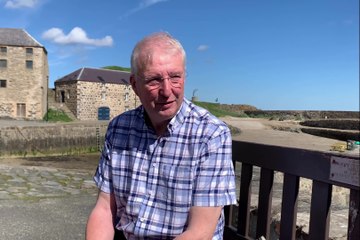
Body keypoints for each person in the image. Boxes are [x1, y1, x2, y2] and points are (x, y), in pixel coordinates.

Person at [86, 32, 237, 240]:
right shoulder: (119, 128)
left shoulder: (211, 135)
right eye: (154, 80)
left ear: (184, 76)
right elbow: (104, 209)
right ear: (135, 85)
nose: (167, 91)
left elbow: (200, 232)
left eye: (175, 77)